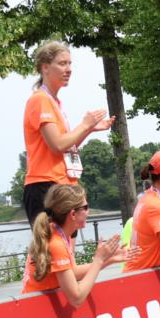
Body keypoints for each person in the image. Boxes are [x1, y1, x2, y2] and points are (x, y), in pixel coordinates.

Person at [22, 41, 115, 225]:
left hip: (61, 185)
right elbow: (57, 145)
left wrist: (88, 129)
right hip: (46, 185)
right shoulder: (40, 100)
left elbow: (66, 146)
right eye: (62, 63)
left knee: (64, 247)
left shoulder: (54, 102)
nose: (69, 69)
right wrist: (84, 124)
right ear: (45, 67)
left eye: (70, 63)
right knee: (52, 249)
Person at [22, 185, 130, 306]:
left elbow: (73, 272)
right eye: (86, 207)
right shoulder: (56, 243)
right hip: (34, 307)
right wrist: (98, 260)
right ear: (73, 214)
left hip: (37, 305)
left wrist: (109, 259)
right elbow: (76, 299)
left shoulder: (59, 231)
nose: (88, 212)